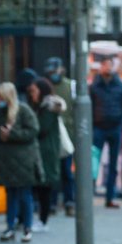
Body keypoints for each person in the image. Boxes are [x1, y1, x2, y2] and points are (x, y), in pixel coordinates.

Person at [0, 82, 42, 243]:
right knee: (11, 194)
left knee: (25, 195)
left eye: (0, 96)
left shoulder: (24, 110)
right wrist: (1, 136)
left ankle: (27, 227)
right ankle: (10, 227)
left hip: (24, 159)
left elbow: (33, 131)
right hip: (7, 160)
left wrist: (11, 134)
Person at [89, 55, 122, 208]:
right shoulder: (94, 86)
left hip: (115, 128)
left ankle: (110, 197)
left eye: (110, 65)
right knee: (94, 163)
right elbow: (90, 106)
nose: (107, 68)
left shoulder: (120, 85)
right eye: (105, 65)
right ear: (101, 67)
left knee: (113, 165)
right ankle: (90, 194)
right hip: (99, 128)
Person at [28, 78, 65, 231]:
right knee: (42, 188)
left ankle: (43, 220)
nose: (32, 94)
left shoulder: (48, 108)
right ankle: (42, 219)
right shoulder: (41, 107)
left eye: (34, 91)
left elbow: (41, 129)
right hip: (44, 151)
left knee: (44, 187)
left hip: (46, 152)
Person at [45, 57, 75, 216]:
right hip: (51, 137)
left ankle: (69, 202)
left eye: (54, 71)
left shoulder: (70, 86)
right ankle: (52, 203)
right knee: (53, 173)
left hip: (67, 137)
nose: (53, 74)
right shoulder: (46, 86)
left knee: (67, 173)